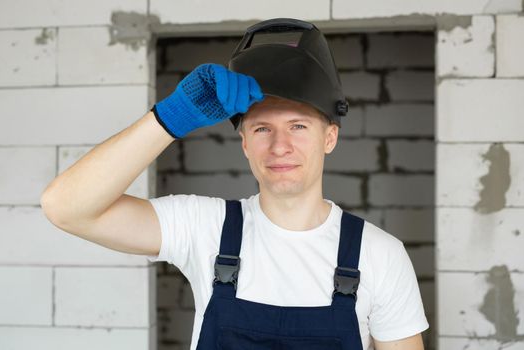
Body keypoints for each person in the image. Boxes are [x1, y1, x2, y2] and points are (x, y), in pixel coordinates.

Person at [41, 18, 429, 350]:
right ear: (244, 142)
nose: (280, 146)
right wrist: (171, 117)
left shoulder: (380, 256)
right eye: (262, 128)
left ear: (330, 137)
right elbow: (66, 207)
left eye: (298, 126)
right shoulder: (203, 227)